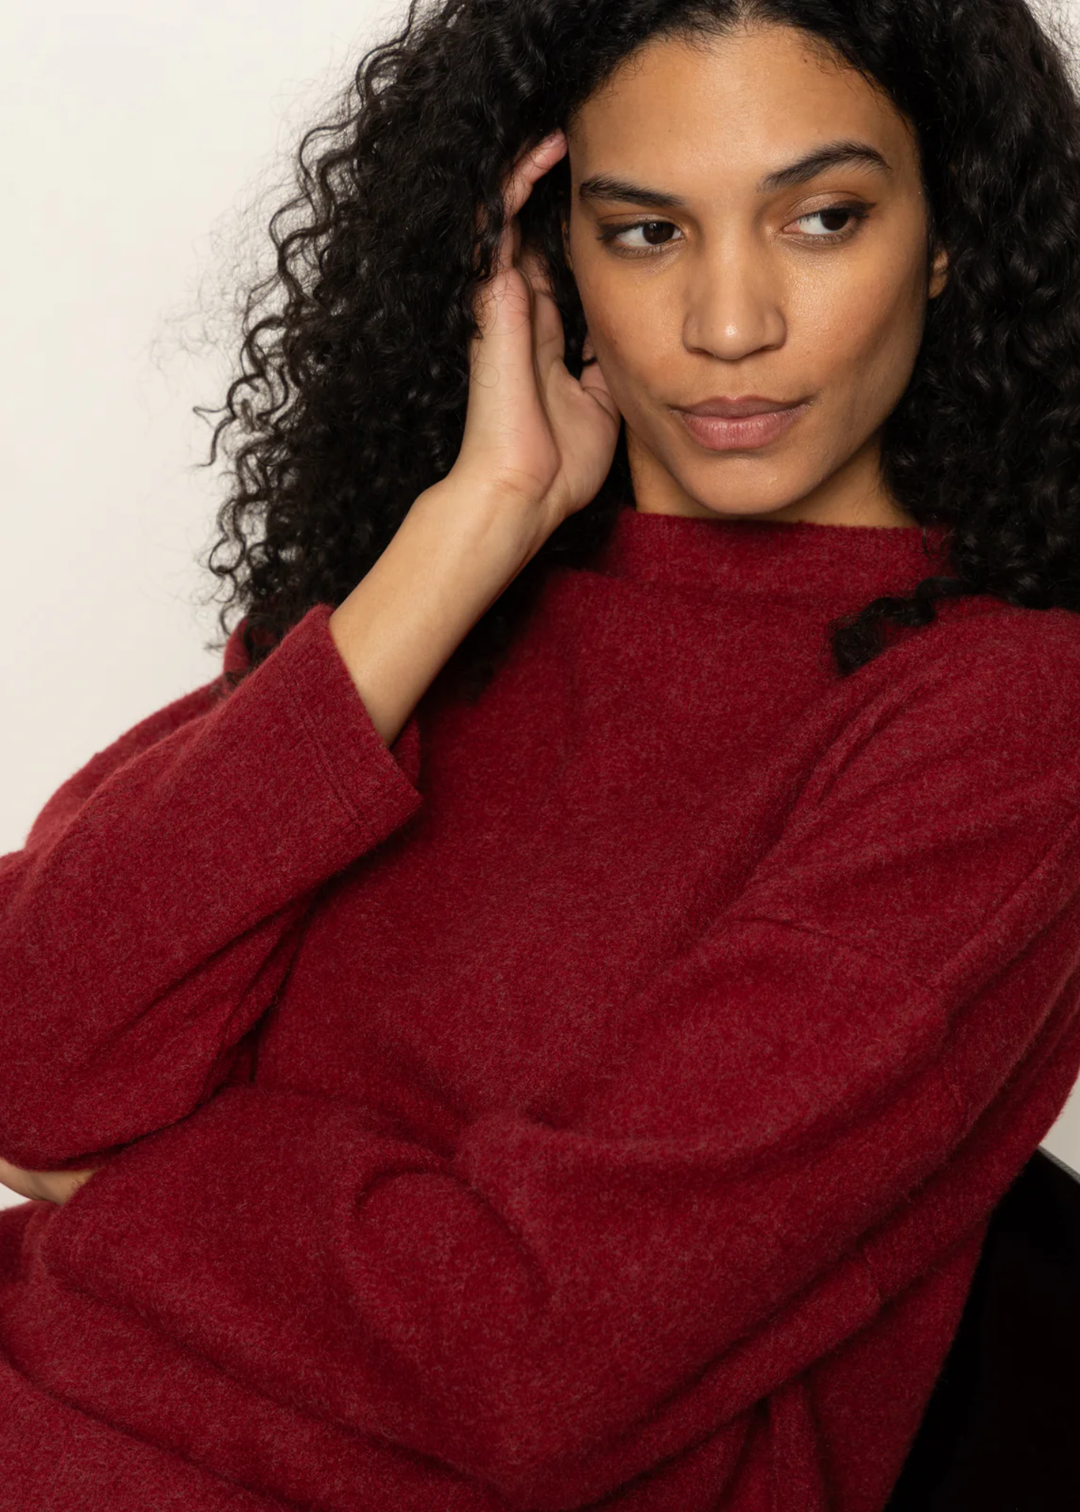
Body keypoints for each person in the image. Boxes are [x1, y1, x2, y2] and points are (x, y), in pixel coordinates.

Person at [2, 0, 1080, 1506]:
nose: (726, 324)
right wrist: (478, 520)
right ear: (544, 256)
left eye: (822, 220)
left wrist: (127, 1190)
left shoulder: (1006, 721)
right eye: (644, 233)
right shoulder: (433, 603)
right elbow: (33, 1042)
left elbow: (537, 1353)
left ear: (950, 234)